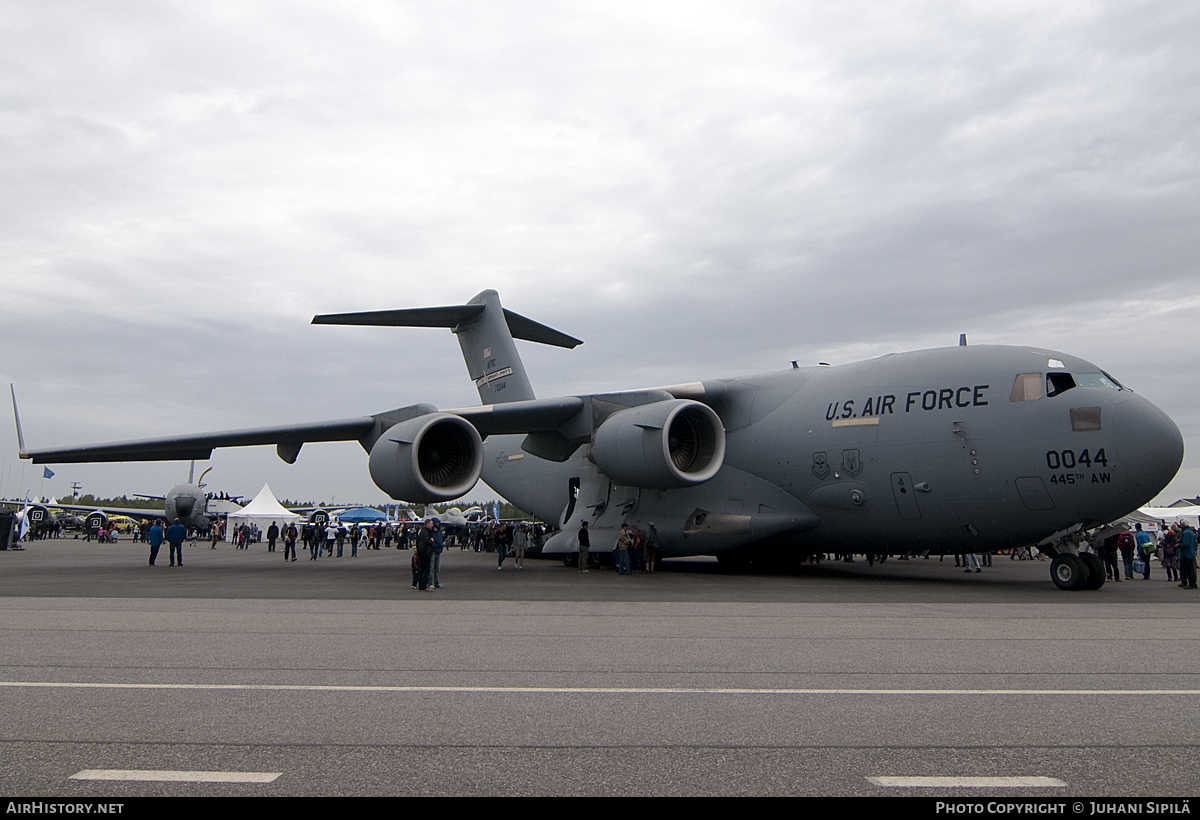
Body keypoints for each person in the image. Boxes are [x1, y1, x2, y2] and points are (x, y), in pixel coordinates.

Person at [1177, 523, 1197, 590]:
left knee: (1188, 569)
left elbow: (1186, 544)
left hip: (1187, 553)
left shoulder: (1186, 533)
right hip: (1191, 552)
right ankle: (1191, 582)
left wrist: (1179, 545)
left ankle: (1191, 583)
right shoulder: (1192, 532)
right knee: (1190, 569)